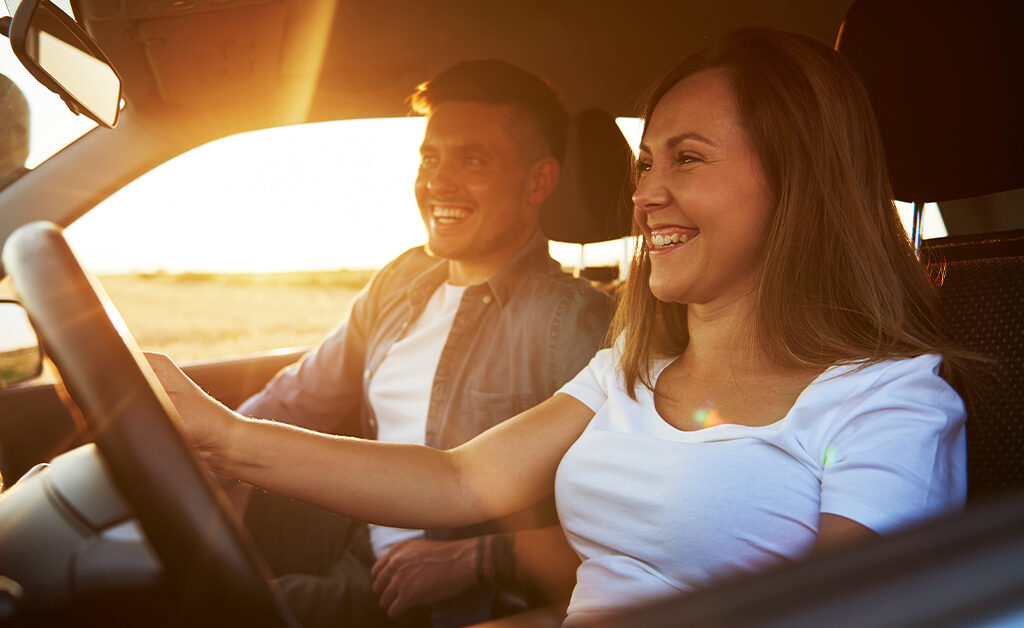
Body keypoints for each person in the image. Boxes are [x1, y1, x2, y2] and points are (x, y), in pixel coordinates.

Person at [148, 29, 967, 625]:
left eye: (687, 159)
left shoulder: (886, 407)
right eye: (646, 162)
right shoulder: (631, 366)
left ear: (799, 183)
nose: (644, 195)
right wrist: (221, 437)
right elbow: (463, 479)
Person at [226, 60, 614, 626]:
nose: (438, 183)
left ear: (538, 182)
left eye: (472, 159)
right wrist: (214, 465)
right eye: (430, 157)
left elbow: (624, 522)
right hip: (356, 541)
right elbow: (297, 397)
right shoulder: (401, 280)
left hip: (439, 596)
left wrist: (479, 558)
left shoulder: (577, 323)